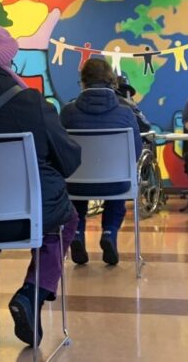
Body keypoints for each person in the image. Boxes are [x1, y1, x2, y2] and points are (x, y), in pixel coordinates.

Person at [0, 22, 81, 345]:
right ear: (6, 57)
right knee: (64, 220)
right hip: (23, 217)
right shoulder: (29, 102)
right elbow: (69, 161)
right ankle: (31, 294)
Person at [60, 58, 142, 266]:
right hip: (116, 183)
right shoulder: (126, 113)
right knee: (118, 183)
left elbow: (60, 148)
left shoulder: (68, 113)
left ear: (83, 82)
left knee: (75, 185)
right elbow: (135, 151)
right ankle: (109, 233)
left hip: (76, 184)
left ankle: (77, 233)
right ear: (112, 81)